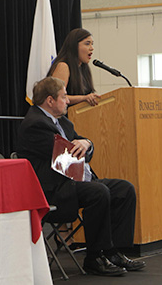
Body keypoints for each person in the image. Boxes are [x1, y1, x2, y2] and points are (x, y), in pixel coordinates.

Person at [17, 76, 145, 276]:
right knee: (98, 192)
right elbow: (67, 158)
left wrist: (87, 144)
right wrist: (83, 146)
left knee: (124, 188)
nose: (68, 100)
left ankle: (113, 251)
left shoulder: (63, 123)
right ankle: (94, 257)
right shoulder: (35, 124)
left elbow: (83, 151)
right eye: (64, 96)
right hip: (52, 189)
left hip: (71, 181)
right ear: (50, 101)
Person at [47, 28, 101, 106]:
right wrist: (84, 98)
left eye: (92, 44)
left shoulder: (83, 68)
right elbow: (56, 96)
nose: (91, 48)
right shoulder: (63, 66)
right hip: (64, 115)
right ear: (74, 46)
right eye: (87, 44)